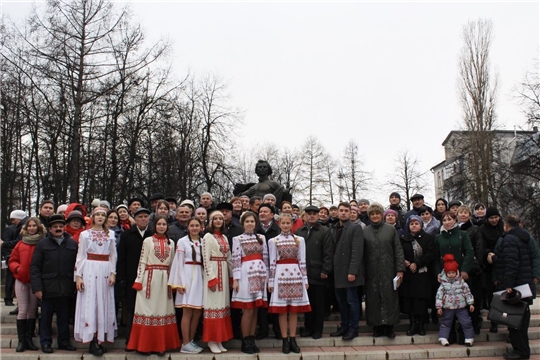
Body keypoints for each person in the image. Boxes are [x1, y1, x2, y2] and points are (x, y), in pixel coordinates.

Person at [126, 215, 180, 355]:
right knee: (147, 311)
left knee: (162, 311)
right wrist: (139, 280)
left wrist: (173, 282)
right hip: (149, 279)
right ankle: (144, 346)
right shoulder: (148, 241)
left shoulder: (171, 243)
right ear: (154, 226)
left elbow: (173, 263)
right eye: (159, 224)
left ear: (167, 226)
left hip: (164, 280)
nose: (161, 226)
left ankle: (160, 346)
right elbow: (142, 261)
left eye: (164, 224)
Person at [489, 215, 535, 360]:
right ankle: (522, 350)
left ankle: (520, 351)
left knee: (515, 320)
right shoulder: (525, 237)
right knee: (521, 318)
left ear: (506, 226)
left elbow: (511, 263)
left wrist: (508, 286)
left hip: (515, 286)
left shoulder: (509, 239)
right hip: (524, 284)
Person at [30, 214, 78, 353]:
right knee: (46, 318)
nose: (58, 229)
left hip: (66, 287)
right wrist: (37, 288)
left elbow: (77, 265)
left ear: (64, 227)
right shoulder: (42, 244)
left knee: (64, 317)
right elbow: (35, 267)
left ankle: (64, 342)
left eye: (60, 226)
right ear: (50, 229)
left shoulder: (72, 243)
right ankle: (45, 343)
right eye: (55, 227)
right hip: (47, 287)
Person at [74, 207, 117, 355]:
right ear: (92, 217)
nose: (100, 217)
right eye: (97, 214)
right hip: (90, 269)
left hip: (105, 269)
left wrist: (113, 273)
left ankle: (100, 338)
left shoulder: (111, 234)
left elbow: (113, 255)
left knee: (103, 303)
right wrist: (78, 276)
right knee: (91, 303)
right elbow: (80, 256)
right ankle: (91, 339)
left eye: (102, 215)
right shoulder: (85, 235)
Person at [268, 213, 311, 354]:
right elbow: (272, 262)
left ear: (292, 224)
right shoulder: (273, 241)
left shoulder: (299, 240)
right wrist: (271, 281)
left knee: (293, 310)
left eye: (288, 223)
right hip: (280, 275)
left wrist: (305, 279)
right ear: (279, 224)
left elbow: (302, 260)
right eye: (283, 223)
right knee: (282, 310)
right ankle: (284, 340)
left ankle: (293, 338)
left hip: (295, 274)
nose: (286, 225)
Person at [364, 203, 405, 339]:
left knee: (389, 298)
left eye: (377, 213)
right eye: (372, 214)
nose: (375, 216)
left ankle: (389, 327)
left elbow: (398, 250)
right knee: (373, 297)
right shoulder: (365, 231)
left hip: (389, 269)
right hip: (371, 271)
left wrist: (400, 269)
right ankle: (377, 327)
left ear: (382, 215)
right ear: (369, 216)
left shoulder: (390, 230)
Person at [434, 211, 474, 344]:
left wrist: (464, 270)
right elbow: (435, 257)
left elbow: (469, 252)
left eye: (449, 219)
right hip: (445, 276)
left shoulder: (463, 234)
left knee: (463, 309)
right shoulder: (439, 237)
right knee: (447, 309)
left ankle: (465, 335)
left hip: (460, 275)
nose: (447, 222)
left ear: (455, 220)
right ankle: (448, 336)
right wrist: (437, 272)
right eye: (444, 220)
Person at [231, 212, 269, 354]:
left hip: (259, 274)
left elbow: (265, 257)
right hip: (245, 274)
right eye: (247, 221)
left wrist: (267, 276)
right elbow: (235, 259)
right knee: (247, 310)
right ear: (243, 223)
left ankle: (251, 339)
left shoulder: (262, 238)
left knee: (255, 310)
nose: (250, 224)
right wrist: (235, 278)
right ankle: (245, 340)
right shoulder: (237, 239)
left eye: (252, 221)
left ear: (256, 223)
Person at [116, 208, 154, 346]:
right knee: (132, 308)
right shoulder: (127, 235)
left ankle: (148, 339)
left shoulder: (153, 234)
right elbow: (122, 257)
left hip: (150, 277)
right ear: (135, 219)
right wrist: (122, 277)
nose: (143, 219)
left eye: (145, 216)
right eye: (140, 217)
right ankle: (130, 339)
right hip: (131, 275)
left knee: (148, 308)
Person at [8, 217, 46, 352]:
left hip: (35, 282)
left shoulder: (42, 243)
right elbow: (12, 260)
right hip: (21, 280)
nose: (31, 228)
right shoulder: (20, 244)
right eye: (29, 226)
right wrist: (17, 268)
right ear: (26, 228)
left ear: (38, 227)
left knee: (32, 311)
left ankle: (29, 339)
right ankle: (21, 340)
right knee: (23, 310)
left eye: (34, 226)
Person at [295, 205, 333, 340]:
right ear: (304, 216)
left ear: (318, 216)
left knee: (319, 304)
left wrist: (325, 270)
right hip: (303, 274)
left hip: (318, 273)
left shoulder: (324, 231)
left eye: (314, 214)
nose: (311, 216)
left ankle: (318, 330)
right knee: (307, 303)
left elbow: (328, 252)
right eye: (309, 214)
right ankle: (308, 328)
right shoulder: (299, 232)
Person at [169, 218, 205, 354]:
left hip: (199, 278)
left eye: (197, 225)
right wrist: (179, 282)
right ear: (188, 227)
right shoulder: (182, 241)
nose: (195, 228)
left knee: (197, 311)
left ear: (201, 227)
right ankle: (185, 342)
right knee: (187, 311)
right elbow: (178, 263)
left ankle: (190, 341)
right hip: (187, 276)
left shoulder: (203, 242)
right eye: (192, 225)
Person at [330, 202, 365, 341]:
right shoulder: (334, 228)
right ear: (337, 212)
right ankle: (344, 326)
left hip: (350, 272)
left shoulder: (355, 228)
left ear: (350, 213)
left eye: (346, 210)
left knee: (352, 301)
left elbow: (357, 252)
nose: (343, 213)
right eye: (341, 210)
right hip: (337, 272)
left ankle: (353, 328)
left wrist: (353, 271)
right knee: (341, 302)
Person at [201, 210, 234, 354]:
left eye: (221, 218)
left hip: (224, 273)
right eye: (216, 218)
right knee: (213, 305)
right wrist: (211, 278)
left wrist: (232, 276)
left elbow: (229, 258)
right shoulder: (207, 237)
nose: (219, 221)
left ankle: (219, 339)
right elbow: (205, 258)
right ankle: (211, 340)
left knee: (222, 305)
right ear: (211, 221)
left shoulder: (225, 238)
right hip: (213, 271)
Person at [399, 215, 435, 336]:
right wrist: (405, 262)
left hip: (422, 274)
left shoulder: (428, 238)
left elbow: (430, 254)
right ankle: (413, 323)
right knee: (410, 300)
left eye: (416, 223)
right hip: (408, 274)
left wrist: (417, 264)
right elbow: (399, 252)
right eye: (411, 224)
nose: (414, 225)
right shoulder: (403, 238)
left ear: (421, 225)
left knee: (421, 301)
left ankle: (421, 324)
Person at [436, 254, 475, 347]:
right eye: (449, 273)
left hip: (460, 306)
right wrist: (439, 307)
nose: (451, 275)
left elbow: (467, 292)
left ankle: (469, 337)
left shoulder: (461, 282)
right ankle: (443, 337)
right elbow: (439, 296)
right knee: (446, 322)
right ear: (446, 273)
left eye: (453, 273)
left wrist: (471, 303)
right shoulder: (443, 284)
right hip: (448, 307)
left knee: (466, 322)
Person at [457, 205, 485, 334]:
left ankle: (474, 324)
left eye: (465, 212)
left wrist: (476, 263)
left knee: (473, 298)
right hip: (457, 270)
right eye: (460, 212)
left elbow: (479, 248)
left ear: (469, 215)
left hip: (472, 270)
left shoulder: (475, 229)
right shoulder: (454, 229)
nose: (463, 215)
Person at [256, 203, 280, 339]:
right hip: (258, 271)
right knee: (261, 302)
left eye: (265, 211)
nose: (262, 214)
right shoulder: (255, 230)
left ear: (272, 214)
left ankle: (277, 330)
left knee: (275, 300)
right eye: (260, 211)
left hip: (276, 270)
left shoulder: (278, 230)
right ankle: (262, 330)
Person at [479, 207, 504, 333]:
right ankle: (494, 322)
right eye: (491, 218)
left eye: (496, 217)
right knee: (492, 296)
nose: (494, 220)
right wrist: (488, 253)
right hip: (489, 266)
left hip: (503, 265)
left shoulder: (503, 227)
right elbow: (482, 246)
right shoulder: (483, 229)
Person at [2, 210, 28, 307]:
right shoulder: (13, 229)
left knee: (12, 278)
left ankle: (9, 298)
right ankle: (8, 298)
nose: (12, 221)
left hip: (16, 256)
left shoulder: (18, 228)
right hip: (14, 256)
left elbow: (6, 244)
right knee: (11, 278)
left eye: (13, 219)